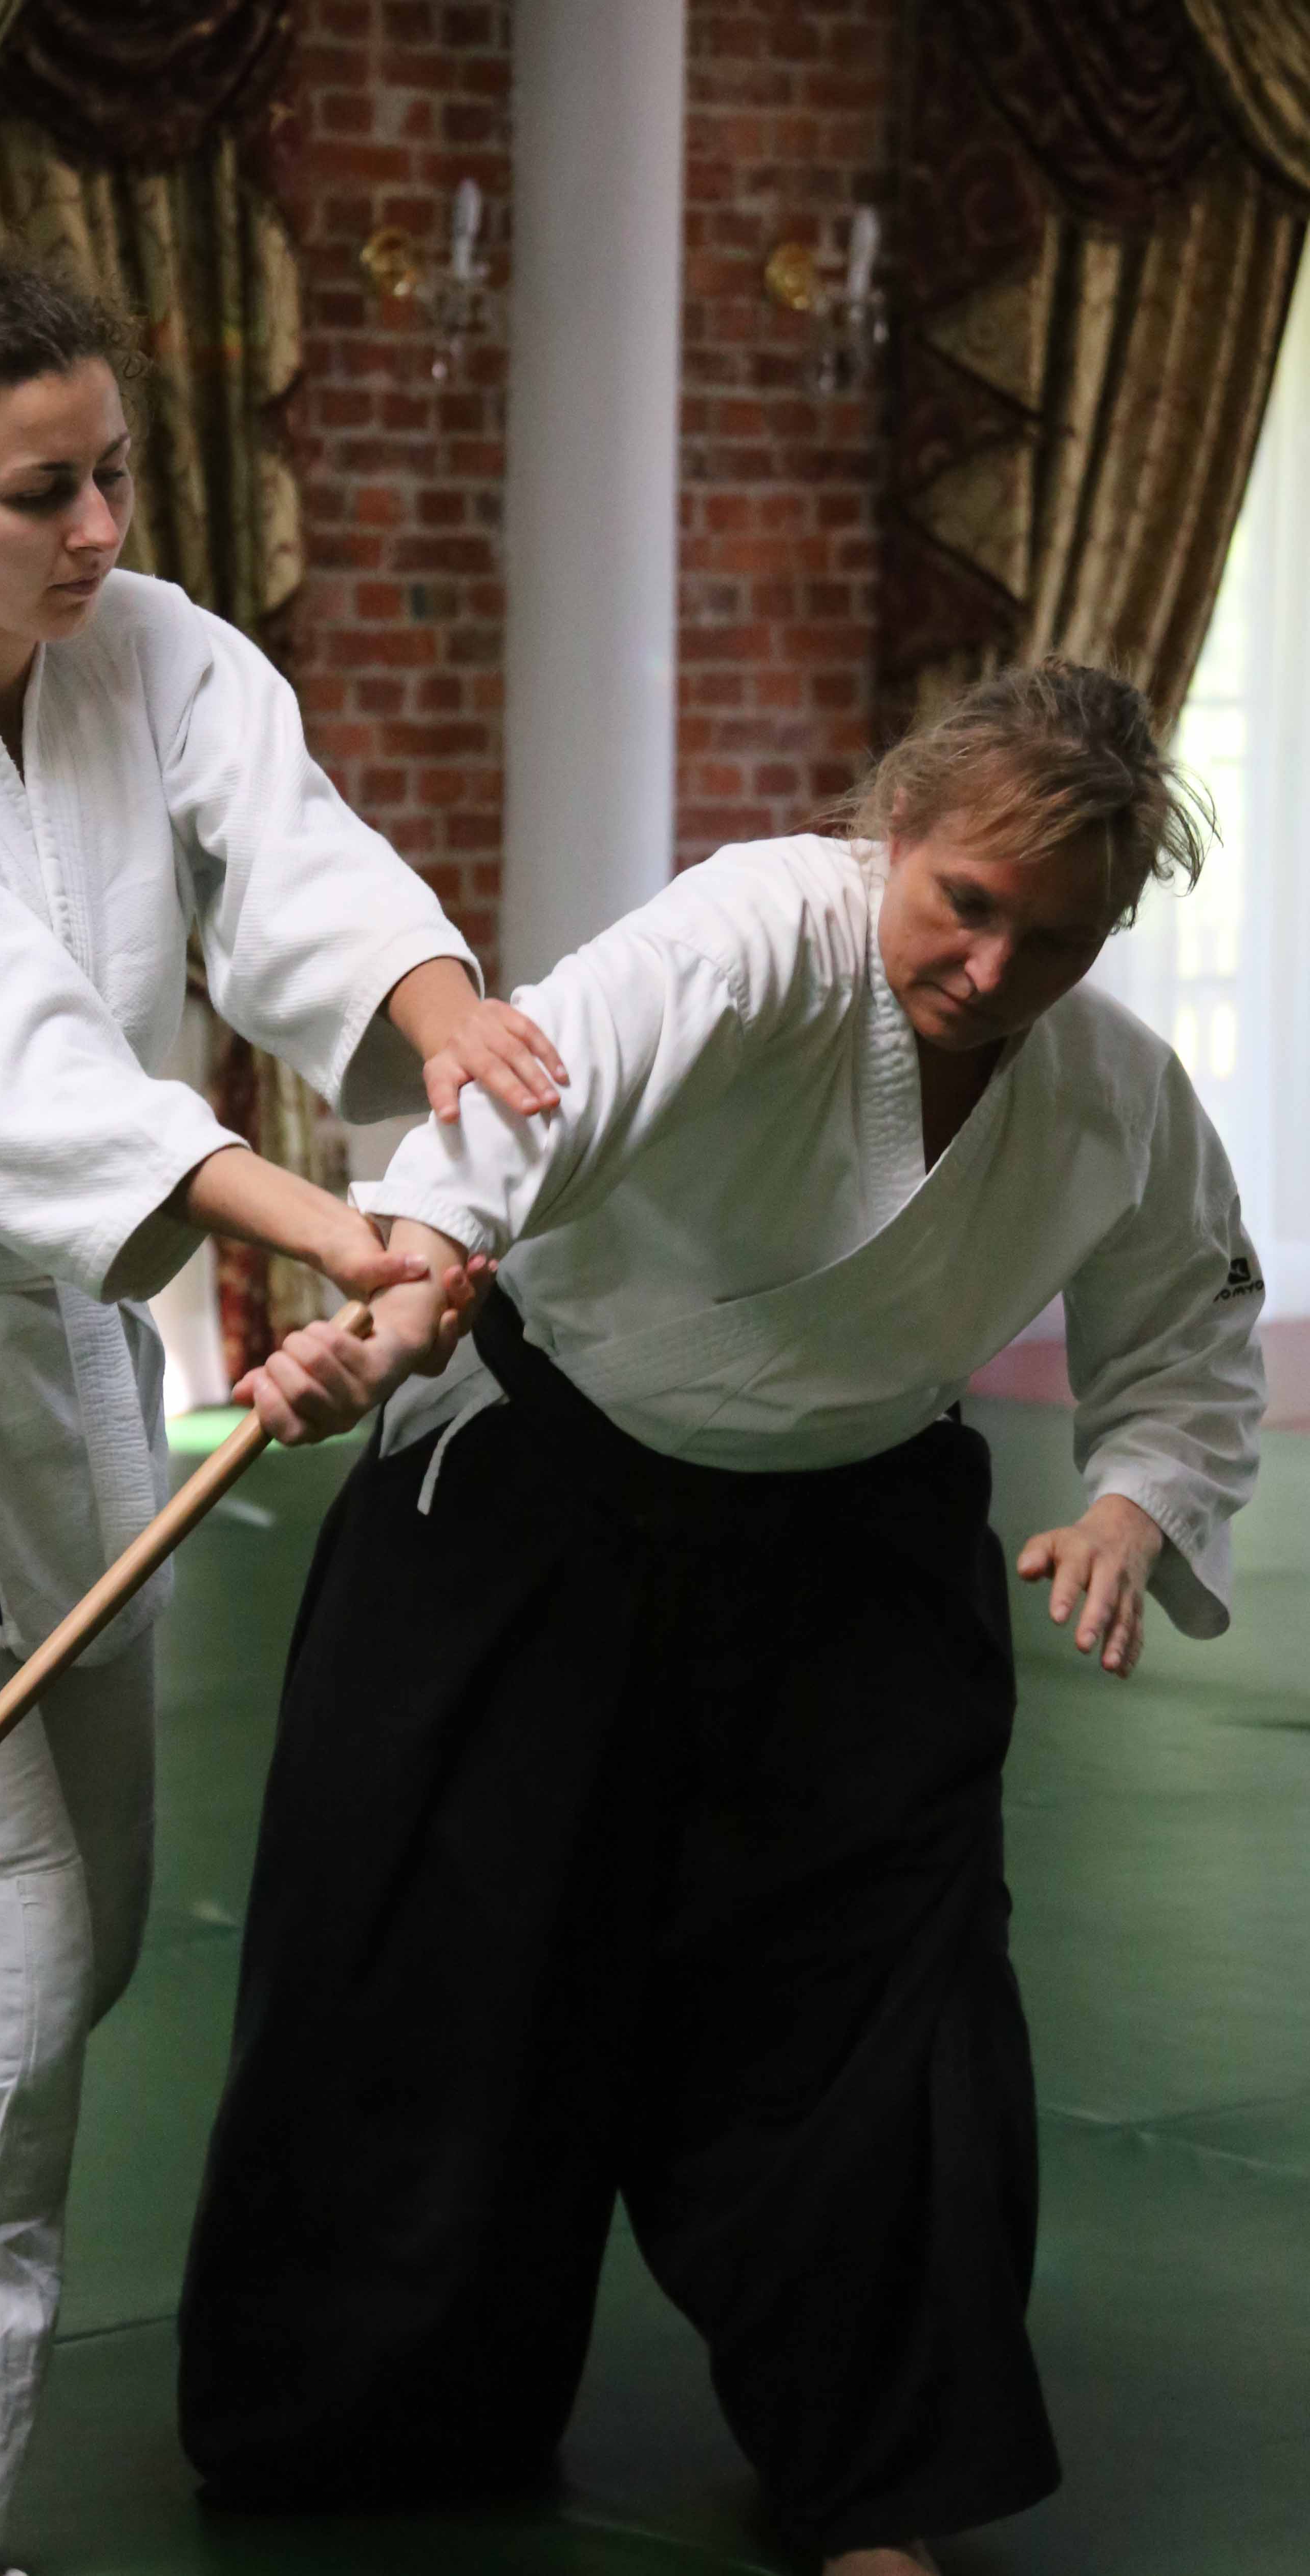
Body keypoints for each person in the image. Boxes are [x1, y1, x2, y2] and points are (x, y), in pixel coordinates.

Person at [0, 249, 563, 2576]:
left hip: (49, 1369)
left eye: (114, 476)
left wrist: (438, 1017)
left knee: (77, 1937)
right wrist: (329, 1230)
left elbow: (298, 867)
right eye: (39, 491)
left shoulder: (148, 650)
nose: (95, 531)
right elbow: (19, 1071)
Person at [176, 661, 1267, 2576]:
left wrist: (1132, 1495)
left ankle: (880, 2476)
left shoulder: (1112, 1088)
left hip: (853, 1555)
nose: (997, 970)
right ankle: (369, 2420)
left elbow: (1188, 1319)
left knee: (889, 2002)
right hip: (539, 1504)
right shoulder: (762, 931)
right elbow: (542, 1087)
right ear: (896, 835)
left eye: (1055, 938)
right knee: (438, 1967)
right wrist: (413, 1279)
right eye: (967, 905)